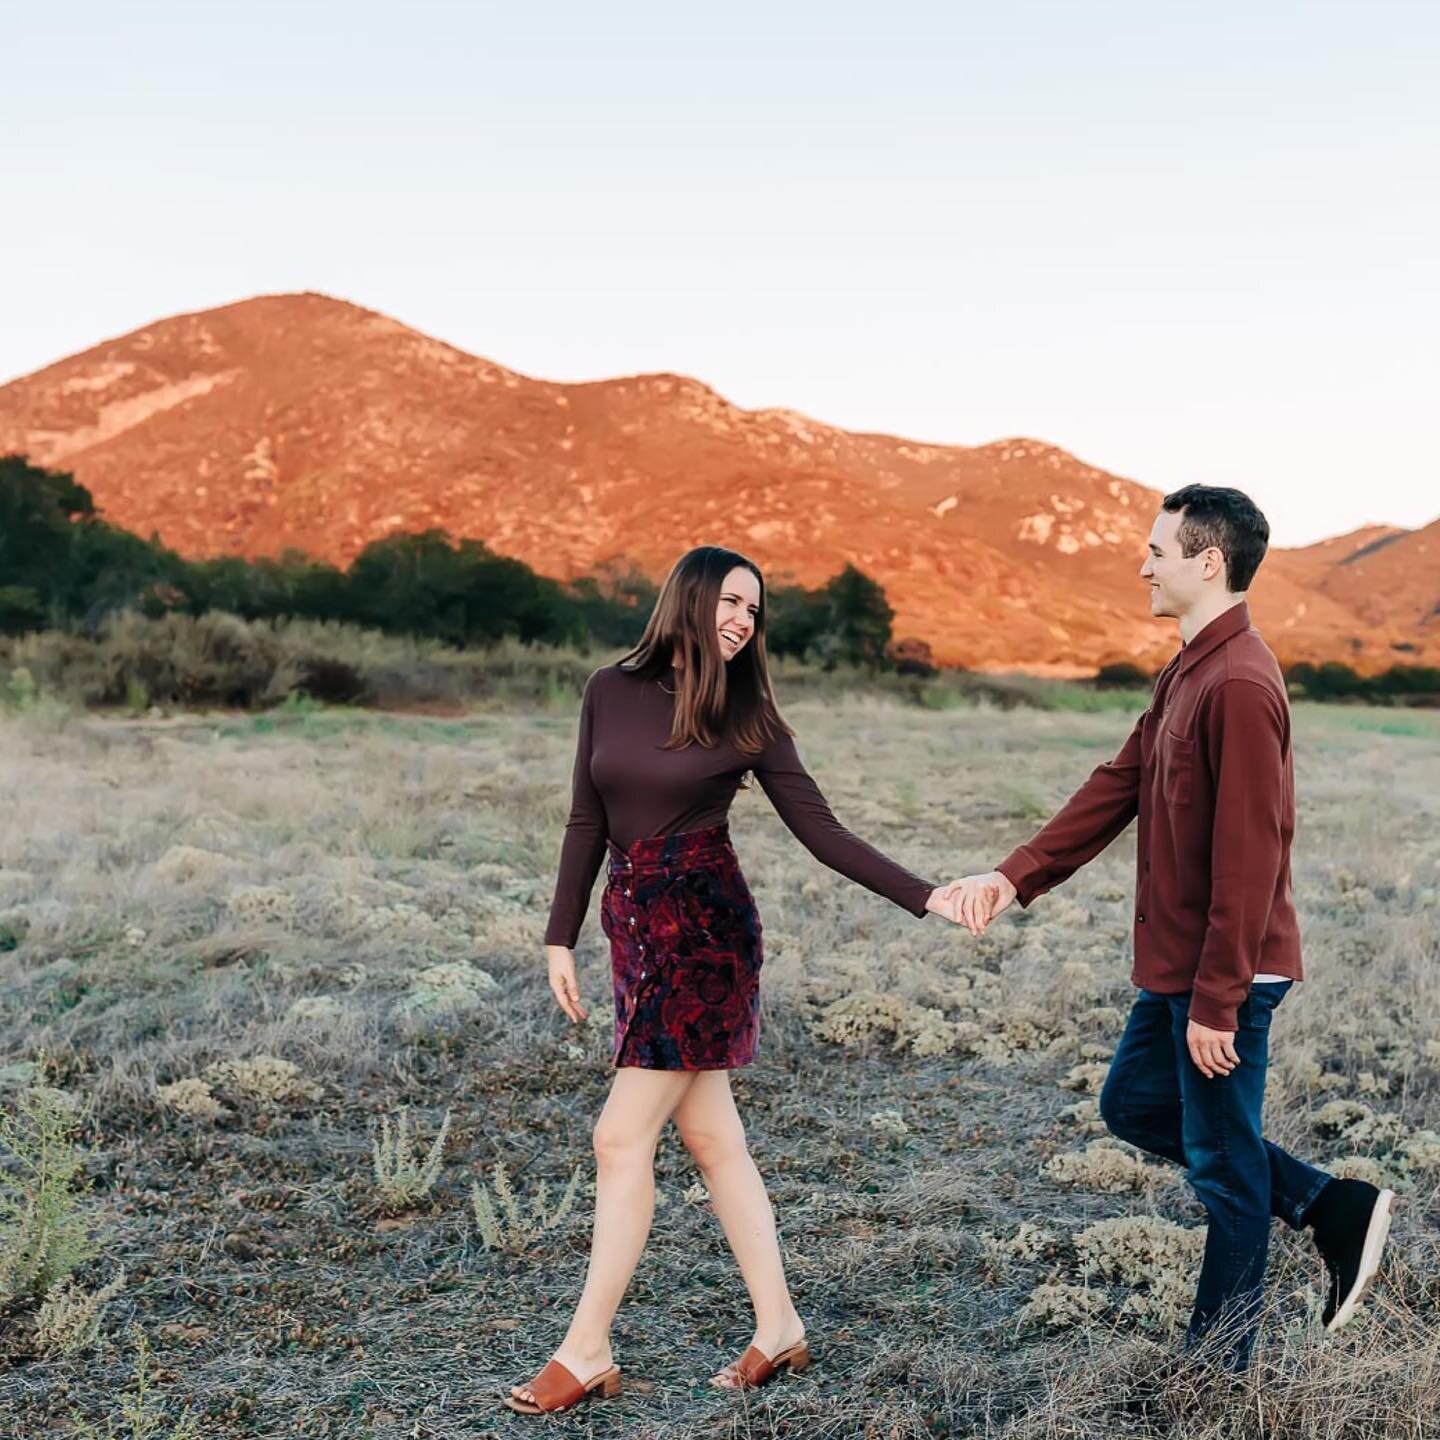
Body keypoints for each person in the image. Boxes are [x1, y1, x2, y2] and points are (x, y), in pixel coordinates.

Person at [505, 544, 968, 1415]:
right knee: (714, 1141)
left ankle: (587, 1347)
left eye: (753, 610)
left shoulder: (748, 711)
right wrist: (559, 936)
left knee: (618, 1138)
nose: (742, 621)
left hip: (706, 937)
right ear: (687, 599)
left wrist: (926, 895)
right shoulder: (609, 689)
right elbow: (584, 817)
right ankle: (780, 1326)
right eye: (730, 602)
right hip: (634, 930)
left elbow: (821, 830)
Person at [945, 484, 1394, 1372]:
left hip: (1224, 973)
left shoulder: (1240, 681)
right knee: (1134, 1105)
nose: (1142, 563)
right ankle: (1328, 1205)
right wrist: (1010, 876)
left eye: (1157, 550)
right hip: (1179, 966)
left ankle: (1216, 1373)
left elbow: (1251, 857)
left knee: (1225, 1176)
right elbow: (1119, 782)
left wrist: (1219, 1001)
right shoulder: (1188, 668)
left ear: (1207, 561)